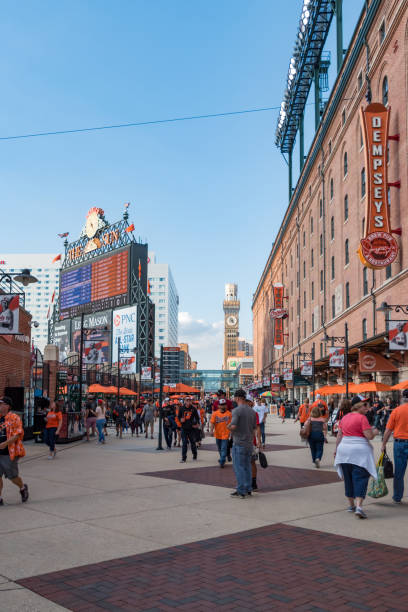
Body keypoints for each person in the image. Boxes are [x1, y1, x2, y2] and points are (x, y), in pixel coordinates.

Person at [334, 395, 378, 519]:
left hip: (344, 451)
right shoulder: (362, 418)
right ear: (358, 406)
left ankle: (351, 505)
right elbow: (368, 436)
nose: (367, 408)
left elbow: (339, 436)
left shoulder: (344, 418)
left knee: (348, 478)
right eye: (365, 405)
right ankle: (359, 507)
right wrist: (375, 431)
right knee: (360, 478)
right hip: (359, 452)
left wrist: (336, 450)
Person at [228, 389, 257, 499]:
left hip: (239, 442)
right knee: (247, 466)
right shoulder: (252, 411)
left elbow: (233, 426)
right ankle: (248, 488)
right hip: (249, 443)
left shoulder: (236, 410)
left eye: (235, 398)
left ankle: (241, 490)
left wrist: (228, 427)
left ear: (237, 398)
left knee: (239, 467)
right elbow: (254, 428)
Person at [0, 396, 29, 505]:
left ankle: (22, 488)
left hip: (9, 453)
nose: (0, 406)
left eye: (1, 404)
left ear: (7, 406)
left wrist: (5, 444)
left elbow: (18, 434)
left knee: (13, 477)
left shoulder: (14, 418)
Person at [381, 388, 408, 504]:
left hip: (400, 444)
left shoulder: (396, 411)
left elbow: (388, 430)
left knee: (399, 472)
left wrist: (383, 444)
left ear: (402, 398)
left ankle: (397, 497)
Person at [210, 398, 232, 468]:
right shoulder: (215, 413)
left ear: (226, 405)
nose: (223, 406)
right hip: (217, 434)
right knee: (219, 448)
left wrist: (231, 433)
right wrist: (211, 430)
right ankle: (222, 457)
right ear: (218, 406)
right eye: (221, 405)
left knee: (223, 448)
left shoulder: (229, 414)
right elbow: (212, 423)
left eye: (224, 405)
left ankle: (222, 461)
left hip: (226, 434)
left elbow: (232, 424)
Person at [178, 397, 200, 463]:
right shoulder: (181, 408)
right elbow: (179, 416)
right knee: (184, 443)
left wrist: (197, 424)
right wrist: (180, 420)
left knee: (192, 443)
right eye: (187, 400)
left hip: (191, 428)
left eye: (189, 400)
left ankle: (195, 455)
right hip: (184, 428)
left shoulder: (193, 408)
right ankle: (183, 458)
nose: (188, 401)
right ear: (184, 401)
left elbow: (197, 417)